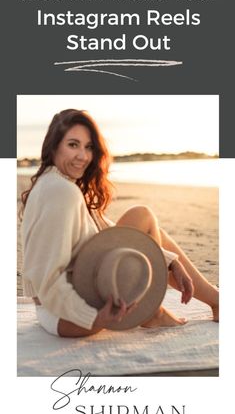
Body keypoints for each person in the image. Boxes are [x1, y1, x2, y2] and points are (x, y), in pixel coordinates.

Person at [21, 109, 219, 337]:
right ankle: (153, 313)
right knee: (142, 216)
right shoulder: (61, 191)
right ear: (53, 146)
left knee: (144, 222)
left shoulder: (56, 183)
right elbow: (46, 279)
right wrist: (93, 317)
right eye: (73, 145)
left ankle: (214, 301)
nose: (83, 156)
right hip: (69, 315)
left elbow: (108, 234)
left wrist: (171, 262)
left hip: (57, 310)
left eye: (89, 147)